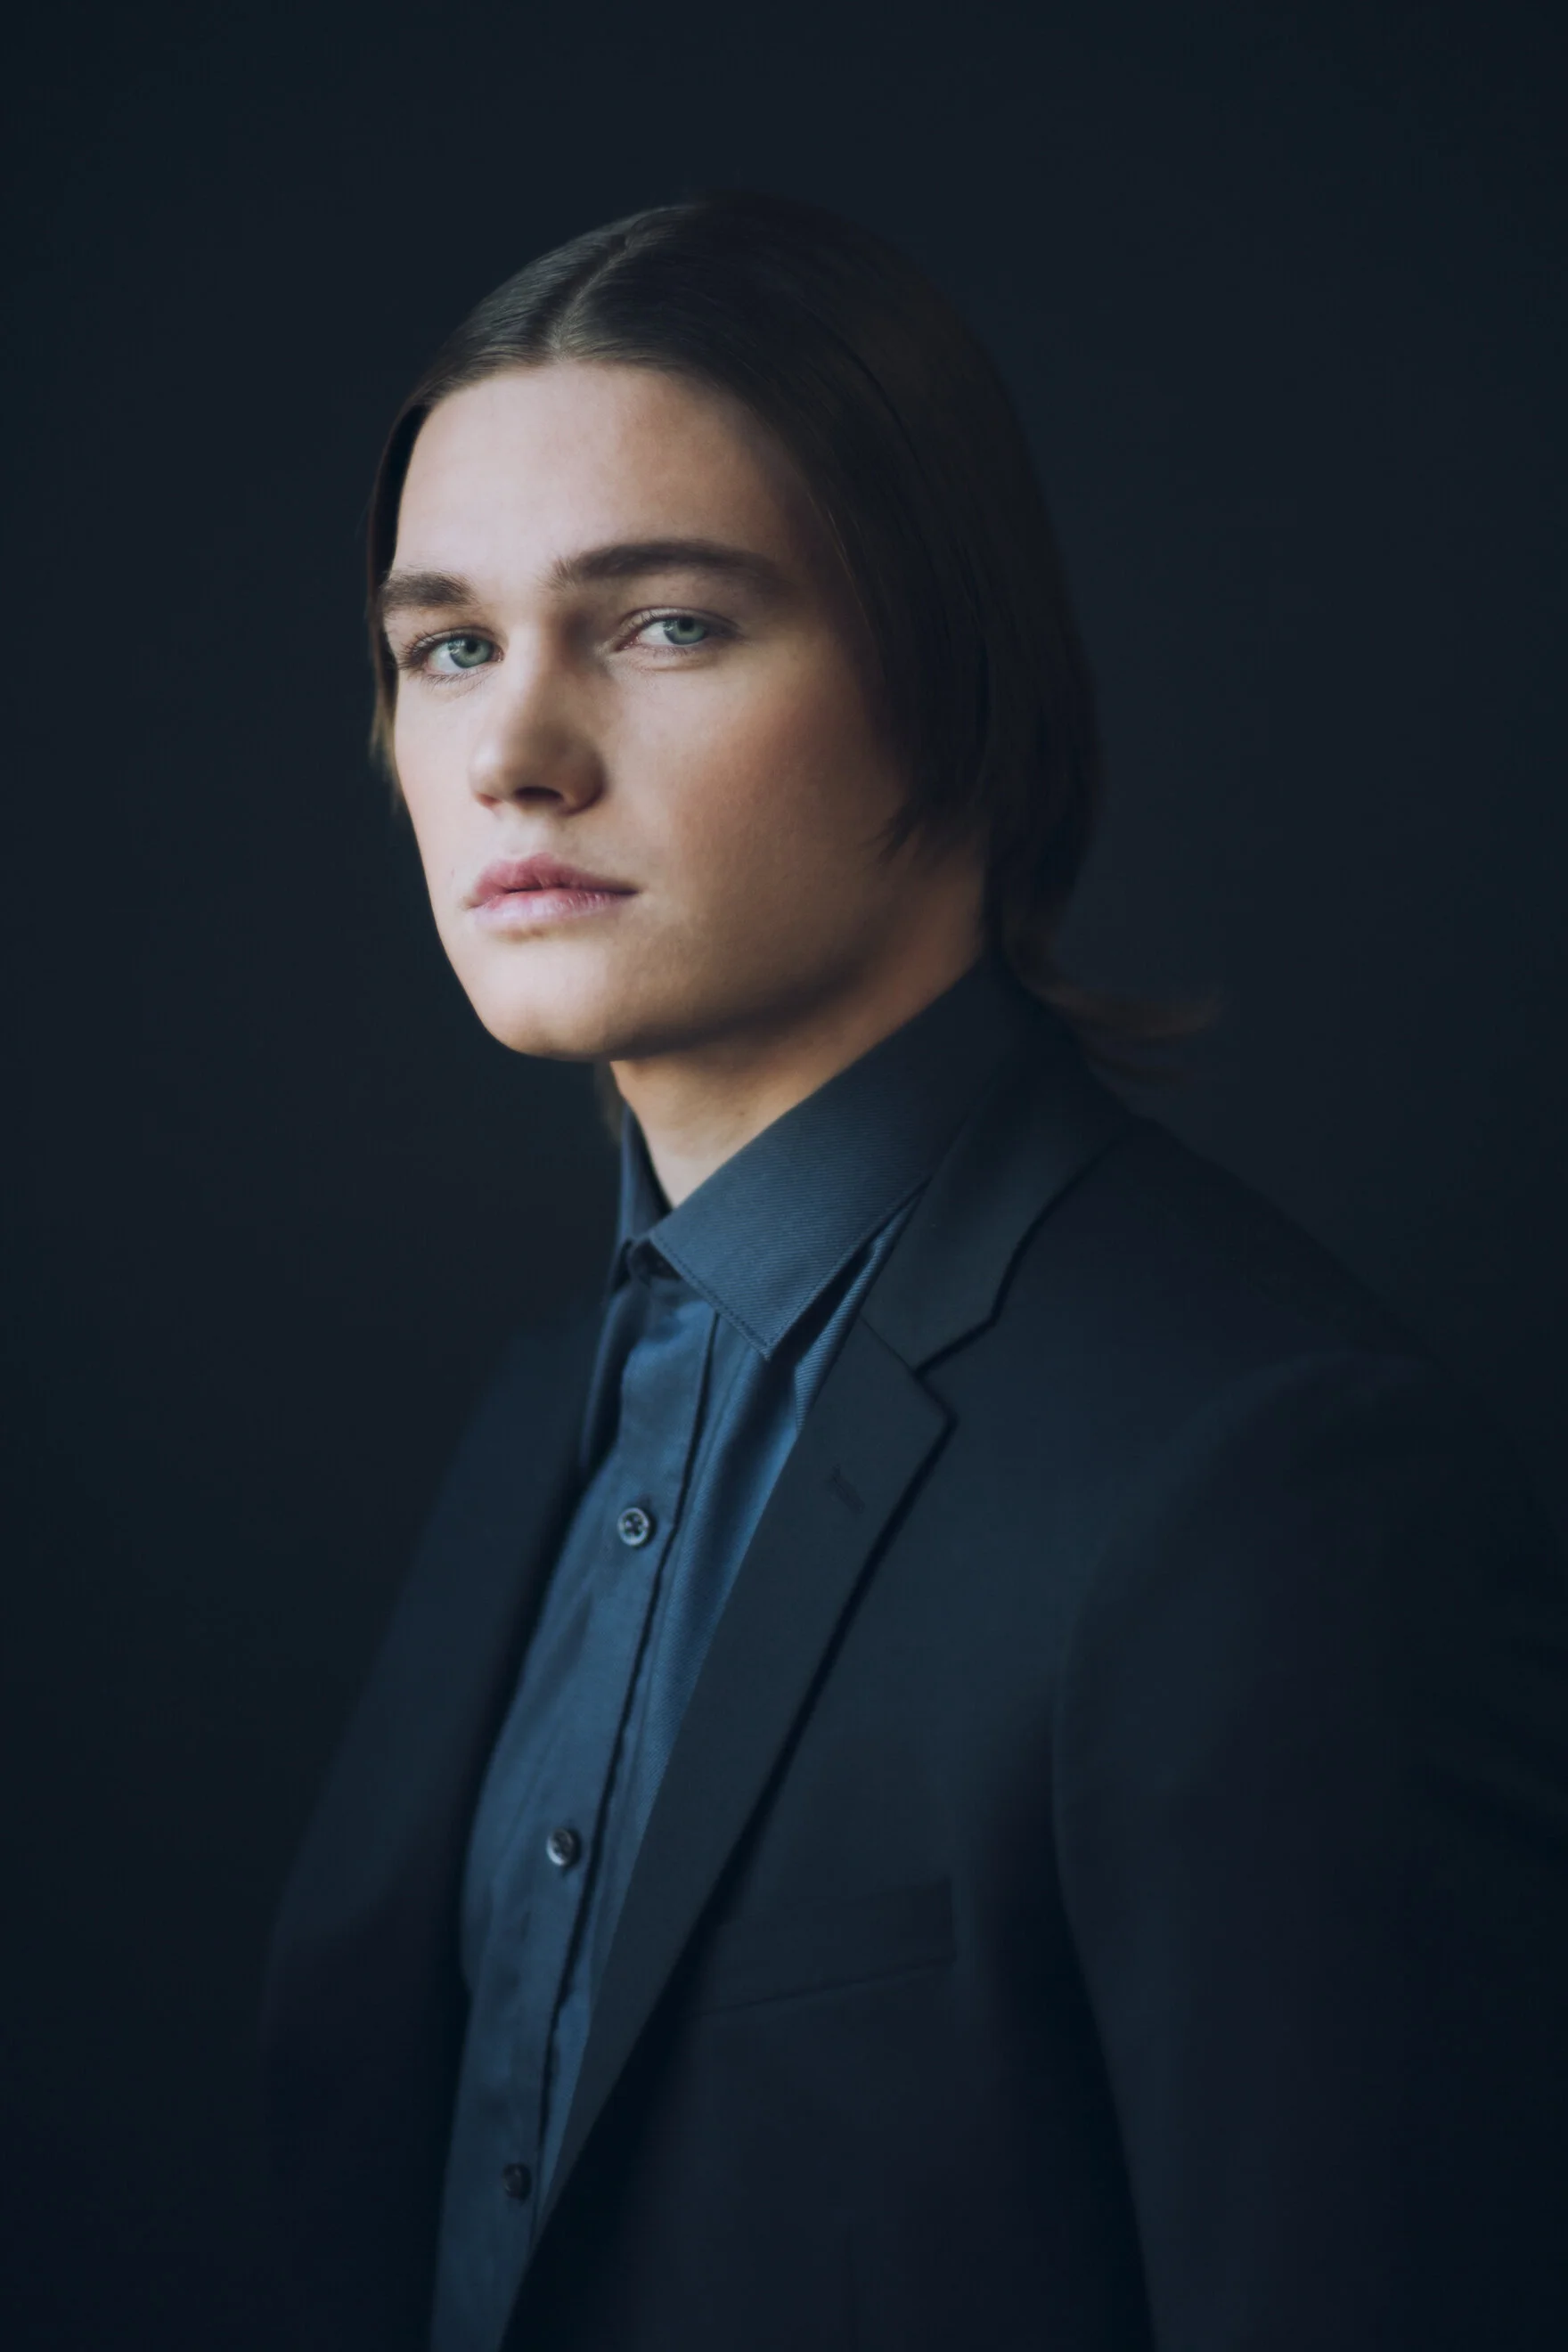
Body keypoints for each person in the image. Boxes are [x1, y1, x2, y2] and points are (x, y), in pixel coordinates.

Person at [261, 191, 1568, 2352]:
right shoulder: (542, 1414)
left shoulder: (1268, 1490)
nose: (513, 754)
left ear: (958, 682)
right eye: (450, 647)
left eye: (663, 624)